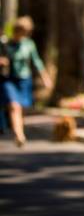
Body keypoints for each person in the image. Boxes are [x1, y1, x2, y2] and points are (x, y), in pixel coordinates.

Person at [0, 16, 52, 147]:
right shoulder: (5, 44)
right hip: (9, 79)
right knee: (14, 106)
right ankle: (19, 134)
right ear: (16, 30)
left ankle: (18, 129)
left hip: (24, 79)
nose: (22, 35)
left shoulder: (29, 44)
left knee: (21, 107)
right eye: (20, 32)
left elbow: (37, 62)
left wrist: (45, 77)